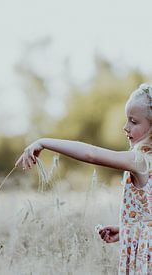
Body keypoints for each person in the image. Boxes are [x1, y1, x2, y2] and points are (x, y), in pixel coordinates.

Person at [15, 83, 152, 274]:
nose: (125, 127)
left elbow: (91, 154)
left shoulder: (141, 161)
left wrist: (44, 142)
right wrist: (126, 231)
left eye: (133, 122)